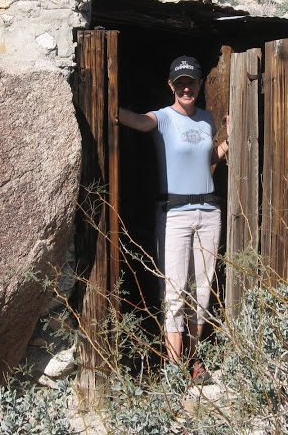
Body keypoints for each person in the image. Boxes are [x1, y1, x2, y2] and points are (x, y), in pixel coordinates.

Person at [118, 56, 229, 381]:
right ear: (171, 85)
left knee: (202, 291)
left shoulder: (207, 119)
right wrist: (107, 103)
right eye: (180, 82)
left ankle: (195, 363)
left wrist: (229, 137)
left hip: (209, 212)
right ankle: (172, 368)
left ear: (198, 85)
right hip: (175, 214)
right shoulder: (163, 118)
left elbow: (209, 158)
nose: (186, 87)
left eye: (191, 82)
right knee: (175, 291)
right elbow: (137, 121)